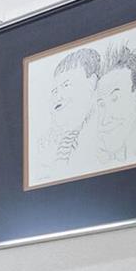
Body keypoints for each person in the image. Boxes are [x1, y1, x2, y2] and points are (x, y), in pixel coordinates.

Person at [32, 46, 100, 183]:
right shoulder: (47, 144)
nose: (58, 97)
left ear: (91, 83)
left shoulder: (102, 129)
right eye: (54, 91)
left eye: (66, 85)